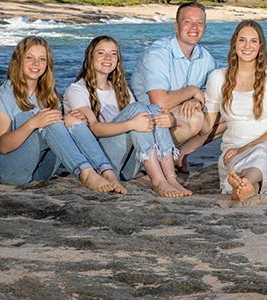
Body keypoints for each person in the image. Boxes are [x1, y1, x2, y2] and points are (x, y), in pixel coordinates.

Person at [0, 36, 126, 193]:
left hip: (39, 172)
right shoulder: (4, 94)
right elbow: (3, 146)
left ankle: (107, 172)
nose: (36, 64)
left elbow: (59, 132)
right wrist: (33, 123)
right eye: (29, 57)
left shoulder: (47, 94)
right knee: (49, 122)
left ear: (48, 64)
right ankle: (86, 174)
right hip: (7, 170)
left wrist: (74, 119)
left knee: (71, 119)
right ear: (18, 60)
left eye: (42, 59)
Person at [63, 36, 191, 197]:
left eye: (113, 54)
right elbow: (94, 129)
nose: (108, 58)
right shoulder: (76, 90)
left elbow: (142, 123)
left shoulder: (121, 88)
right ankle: (158, 181)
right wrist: (132, 124)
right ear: (90, 58)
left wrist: (169, 120)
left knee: (155, 108)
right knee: (138, 109)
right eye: (101, 53)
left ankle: (170, 178)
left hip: (127, 168)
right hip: (100, 165)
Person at [203, 20, 267, 202]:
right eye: (242, 40)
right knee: (250, 176)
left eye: (253, 41)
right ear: (234, 43)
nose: (247, 46)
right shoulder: (217, 78)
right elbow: (206, 126)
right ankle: (245, 186)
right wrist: (192, 100)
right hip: (232, 147)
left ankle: (241, 183)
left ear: (261, 45)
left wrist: (245, 148)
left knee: (262, 153)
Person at [130, 1, 219, 169]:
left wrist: (196, 99)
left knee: (231, 112)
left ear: (205, 28)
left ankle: (181, 153)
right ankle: (153, 158)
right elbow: (160, 102)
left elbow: (217, 92)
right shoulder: (158, 54)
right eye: (188, 22)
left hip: (172, 118)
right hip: (145, 124)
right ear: (176, 27)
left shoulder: (206, 58)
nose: (194, 27)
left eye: (199, 23)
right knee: (195, 119)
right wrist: (193, 91)